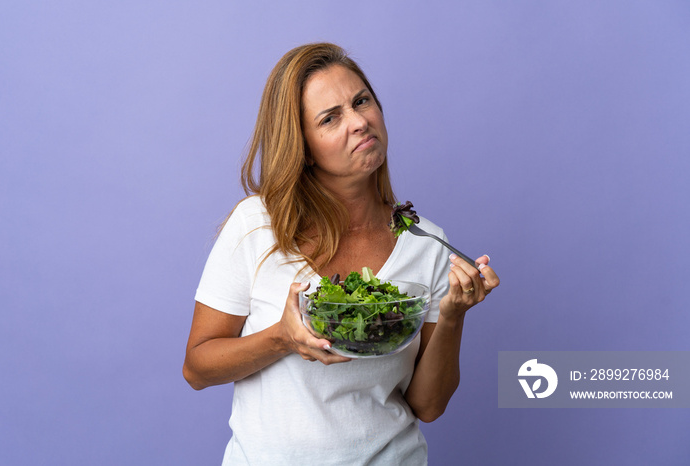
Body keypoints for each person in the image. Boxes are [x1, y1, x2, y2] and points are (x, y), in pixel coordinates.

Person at [183, 42, 500, 465]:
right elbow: (198, 368)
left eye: (361, 101)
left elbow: (429, 405)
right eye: (330, 118)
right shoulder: (257, 225)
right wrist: (282, 338)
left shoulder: (427, 243)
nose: (359, 122)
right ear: (304, 147)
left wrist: (453, 315)